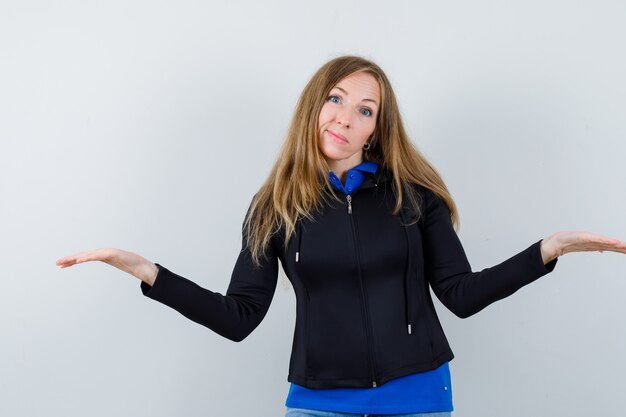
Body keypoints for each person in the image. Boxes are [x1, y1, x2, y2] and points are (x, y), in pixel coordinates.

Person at [56, 56, 626, 417]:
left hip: (417, 396)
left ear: (378, 127)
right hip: (318, 401)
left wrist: (547, 250)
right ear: (314, 106)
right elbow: (237, 318)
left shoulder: (413, 196)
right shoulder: (275, 207)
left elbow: (462, 295)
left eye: (365, 109)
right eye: (336, 99)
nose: (346, 117)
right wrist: (143, 270)